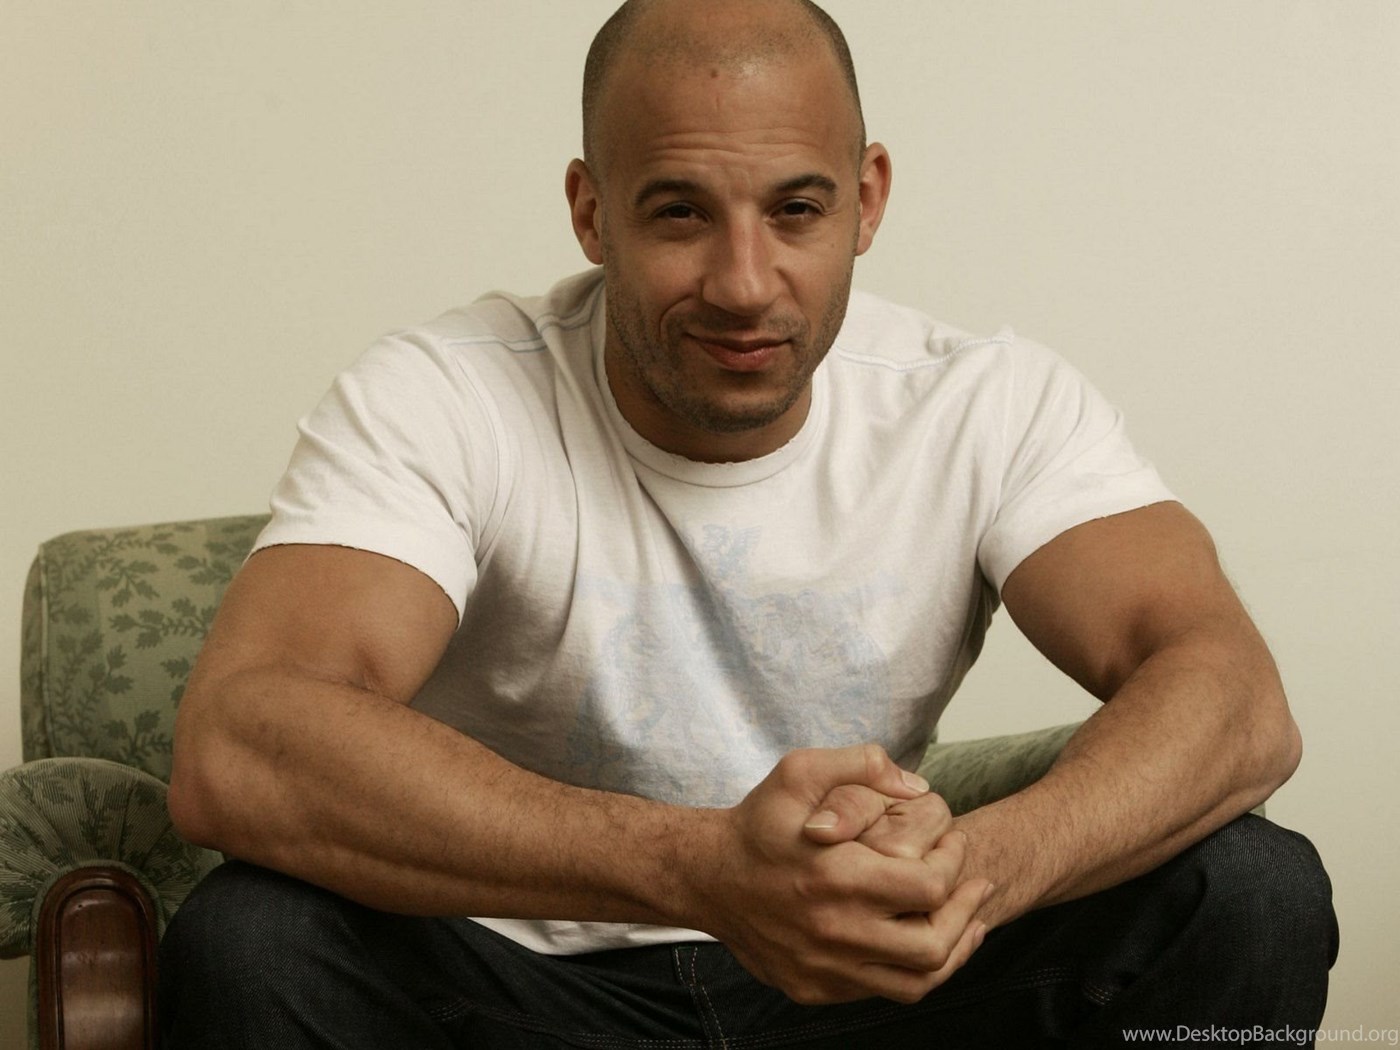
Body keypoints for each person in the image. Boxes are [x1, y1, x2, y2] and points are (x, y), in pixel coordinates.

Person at [159, 0, 1337, 1046]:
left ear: (865, 200)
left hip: (870, 988)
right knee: (251, 940)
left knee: (1247, 889)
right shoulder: (444, 394)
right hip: (513, 985)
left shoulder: (983, 402)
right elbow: (241, 744)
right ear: (590, 213)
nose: (742, 282)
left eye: (795, 210)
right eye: (679, 213)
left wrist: (973, 874)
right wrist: (697, 868)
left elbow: (1233, 699)